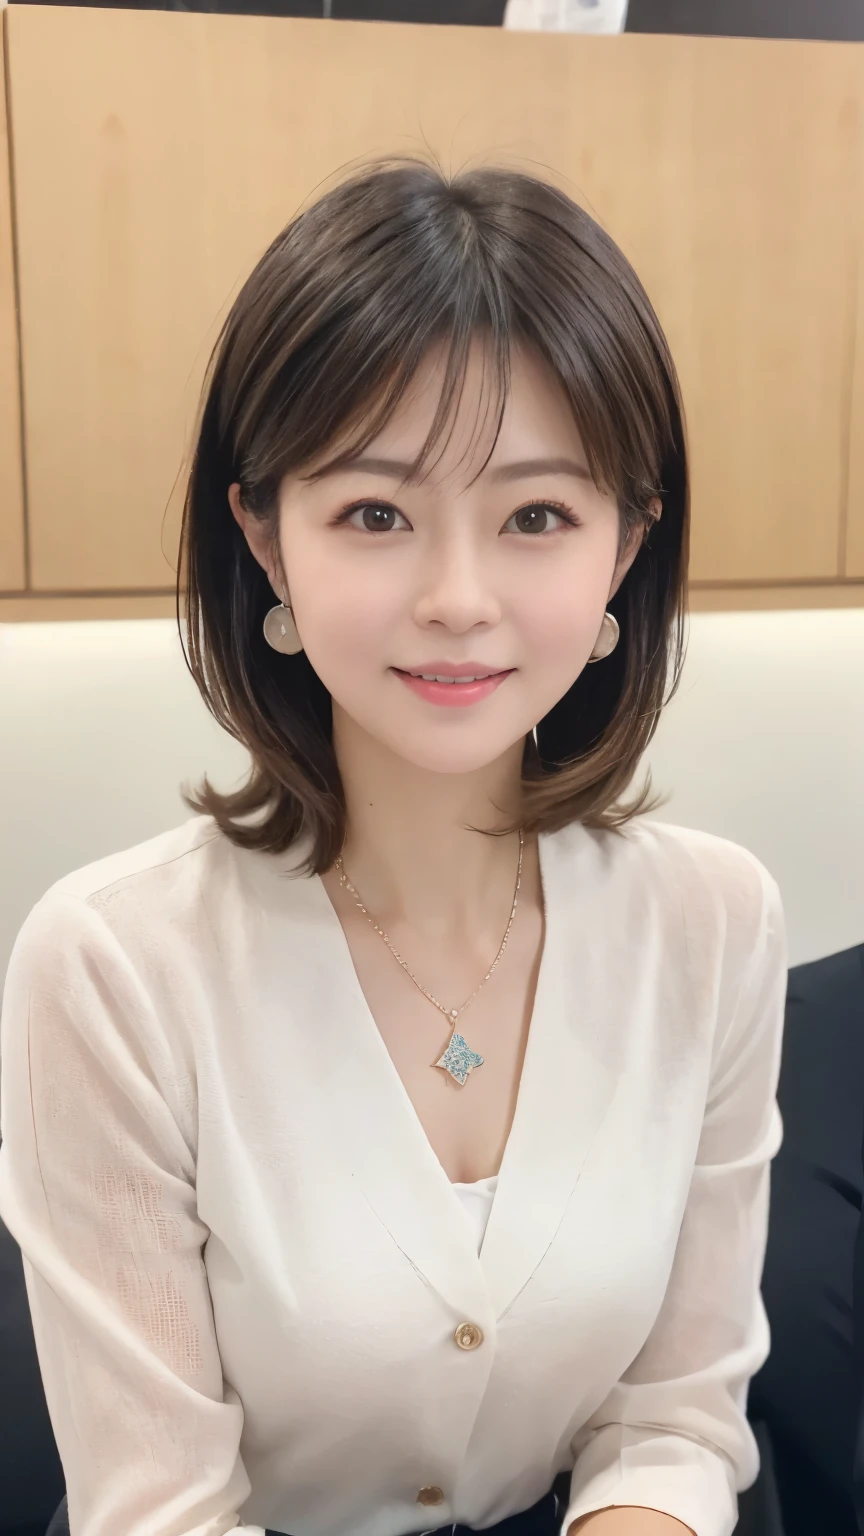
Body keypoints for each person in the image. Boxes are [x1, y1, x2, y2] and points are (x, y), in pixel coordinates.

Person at [0, 156, 788, 1536]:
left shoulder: (715, 922)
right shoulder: (112, 965)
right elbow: (160, 1508)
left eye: (537, 515)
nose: (459, 599)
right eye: (375, 514)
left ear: (624, 548)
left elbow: (672, 1420)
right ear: (265, 538)